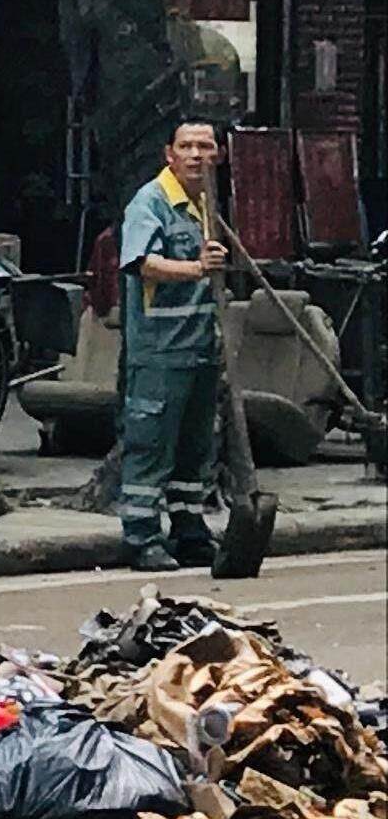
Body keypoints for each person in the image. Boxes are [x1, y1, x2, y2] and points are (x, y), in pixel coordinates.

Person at [114, 119, 229, 573]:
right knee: (151, 445)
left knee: (194, 448)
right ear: (170, 154)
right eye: (188, 146)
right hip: (160, 351)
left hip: (200, 348)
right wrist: (197, 268)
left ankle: (189, 528)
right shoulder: (152, 202)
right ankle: (141, 536)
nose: (197, 155)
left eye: (206, 146)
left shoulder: (206, 204)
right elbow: (142, 263)